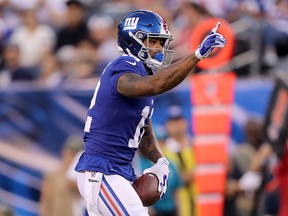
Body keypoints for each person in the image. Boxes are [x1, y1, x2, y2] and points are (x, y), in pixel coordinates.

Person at [75, 9, 226, 216]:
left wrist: (161, 160)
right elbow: (156, 85)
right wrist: (197, 55)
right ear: (132, 40)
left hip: (117, 170)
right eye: (152, 41)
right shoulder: (124, 65)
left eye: (161, 42)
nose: (158, 48)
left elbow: (144, 133)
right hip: (103, 170)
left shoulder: (142, 73)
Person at [40, 136, 84, 216]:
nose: (71, 157)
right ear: (64, 152)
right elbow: (45, 203)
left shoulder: (81, 179)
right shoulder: (52, 176)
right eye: (70, 153)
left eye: (74, 155)